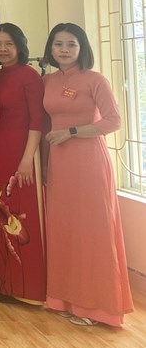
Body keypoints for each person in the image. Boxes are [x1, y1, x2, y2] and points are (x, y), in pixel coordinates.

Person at [41, 22, 133, 326]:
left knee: (92, 232)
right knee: (64, 230)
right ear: (50, 48)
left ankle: (97, 308)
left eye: (71, 44)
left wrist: (71, 132)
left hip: (88, 162)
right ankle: (65, 300)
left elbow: (113, 121)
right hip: (59, 163)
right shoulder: (47, 80)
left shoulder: (95, 80)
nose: (64, 50)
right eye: (58, 44)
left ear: (82, 48)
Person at [0, 23, 46, 304]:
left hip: (22, 153)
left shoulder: (30, 76)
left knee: (22, 215)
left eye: (8, 44)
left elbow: (38, 120)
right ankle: (6, 285)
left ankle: (29, 290)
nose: (3, 49)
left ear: (20, 46)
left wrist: (27, 159)